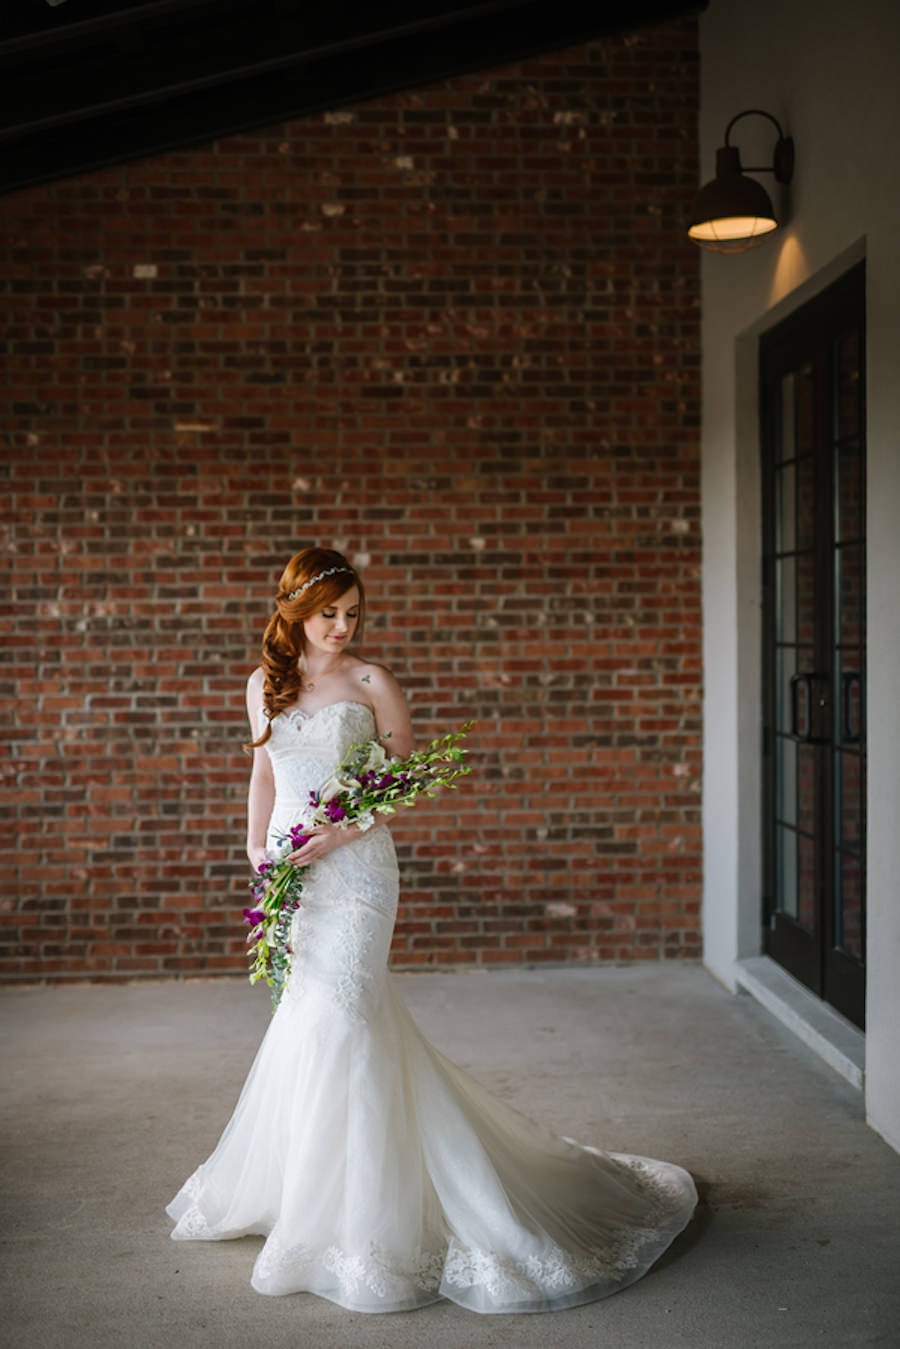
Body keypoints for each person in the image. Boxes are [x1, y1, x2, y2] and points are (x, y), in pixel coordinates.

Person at [166, 546, 697, 1314]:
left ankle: (357, 1221)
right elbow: (263, 771)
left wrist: (339, 837)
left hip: (355, 875)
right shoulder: (263, 685)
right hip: (290, 871)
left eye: (353, 613)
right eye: (329, 613)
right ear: (294, 611)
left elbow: (403, 781)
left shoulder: (372, 682)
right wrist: (257, 847)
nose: (343, 626)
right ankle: (311, 1194)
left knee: (344, 1017)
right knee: (310, 1021)